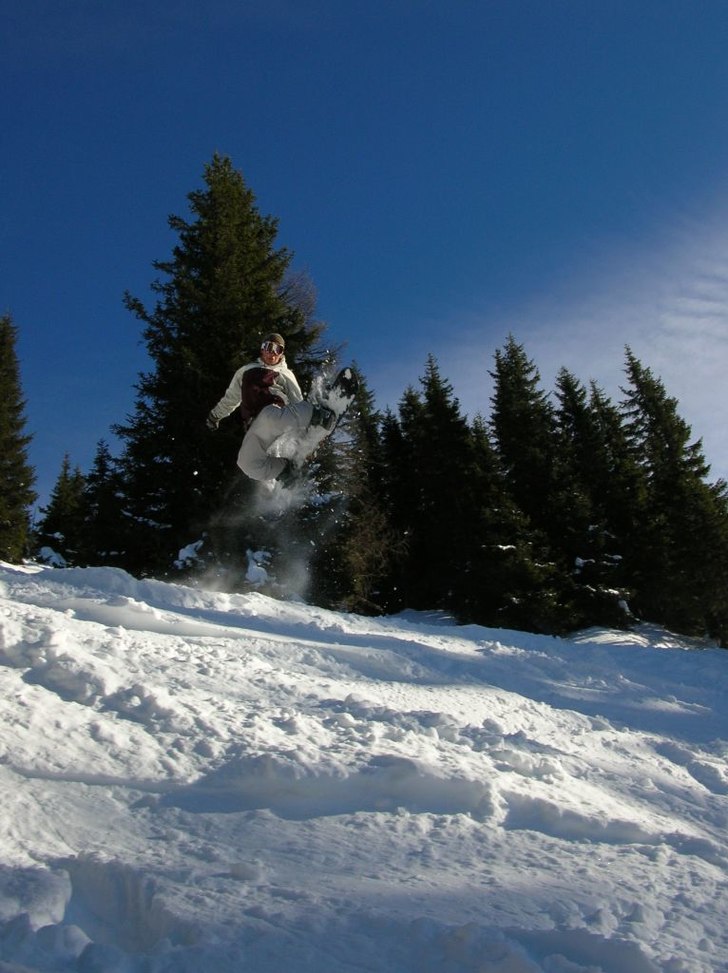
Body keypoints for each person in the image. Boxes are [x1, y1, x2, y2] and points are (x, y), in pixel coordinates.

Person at [206, 333, 334, 484]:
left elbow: (296, 399)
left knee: (270, 416)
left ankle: (318, 415)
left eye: (277, 349)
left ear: (282, 353)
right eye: (268, 347)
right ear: (262, 349)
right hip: (255, 425)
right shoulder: (246, 370)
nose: (272, 352)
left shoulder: (285, 374)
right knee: (246, 463)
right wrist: (215, 415)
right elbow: (231, 397)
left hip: (274, 412)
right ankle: (285, 470)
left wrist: (307, 433)